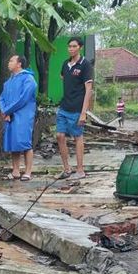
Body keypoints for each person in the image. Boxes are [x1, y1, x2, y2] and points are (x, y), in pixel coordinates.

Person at [56, 37, 93, 180]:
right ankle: (67, 169)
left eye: (74, 46)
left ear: (80, 47)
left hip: (77, 108)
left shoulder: (85, 65)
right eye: (69, 46)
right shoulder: (66, 64)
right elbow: (62, 77)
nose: (71, 49)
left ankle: (80, 170)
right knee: (59, 136)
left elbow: (88, 89)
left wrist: (84, 112)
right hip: (64, 106)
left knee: (78, 137)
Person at [0, 55, 38, 181]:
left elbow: (23, 99)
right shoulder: (8, 82)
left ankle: (28, 172)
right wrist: (5, 111)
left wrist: (8, 111)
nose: (8, 63)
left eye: (11, 61)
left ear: (19, 64)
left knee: (25, 143)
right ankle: (15, 170)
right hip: (10, 116)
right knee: (13, 142)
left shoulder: (28, 79)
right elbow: (2, 98)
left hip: (23, 115)